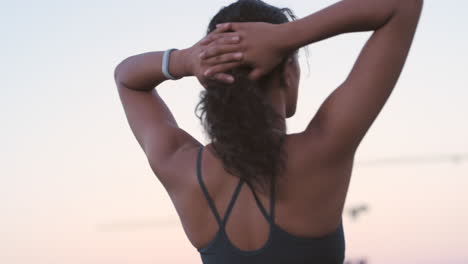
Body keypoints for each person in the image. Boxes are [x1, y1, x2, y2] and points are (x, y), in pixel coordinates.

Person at [113, 0, 423, 263]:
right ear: (289, 73)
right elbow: (403, 5)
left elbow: (126, 77)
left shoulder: (181, 168)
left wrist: (186, 59)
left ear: (209, 78)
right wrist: (288, 36)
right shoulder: (322, 150)